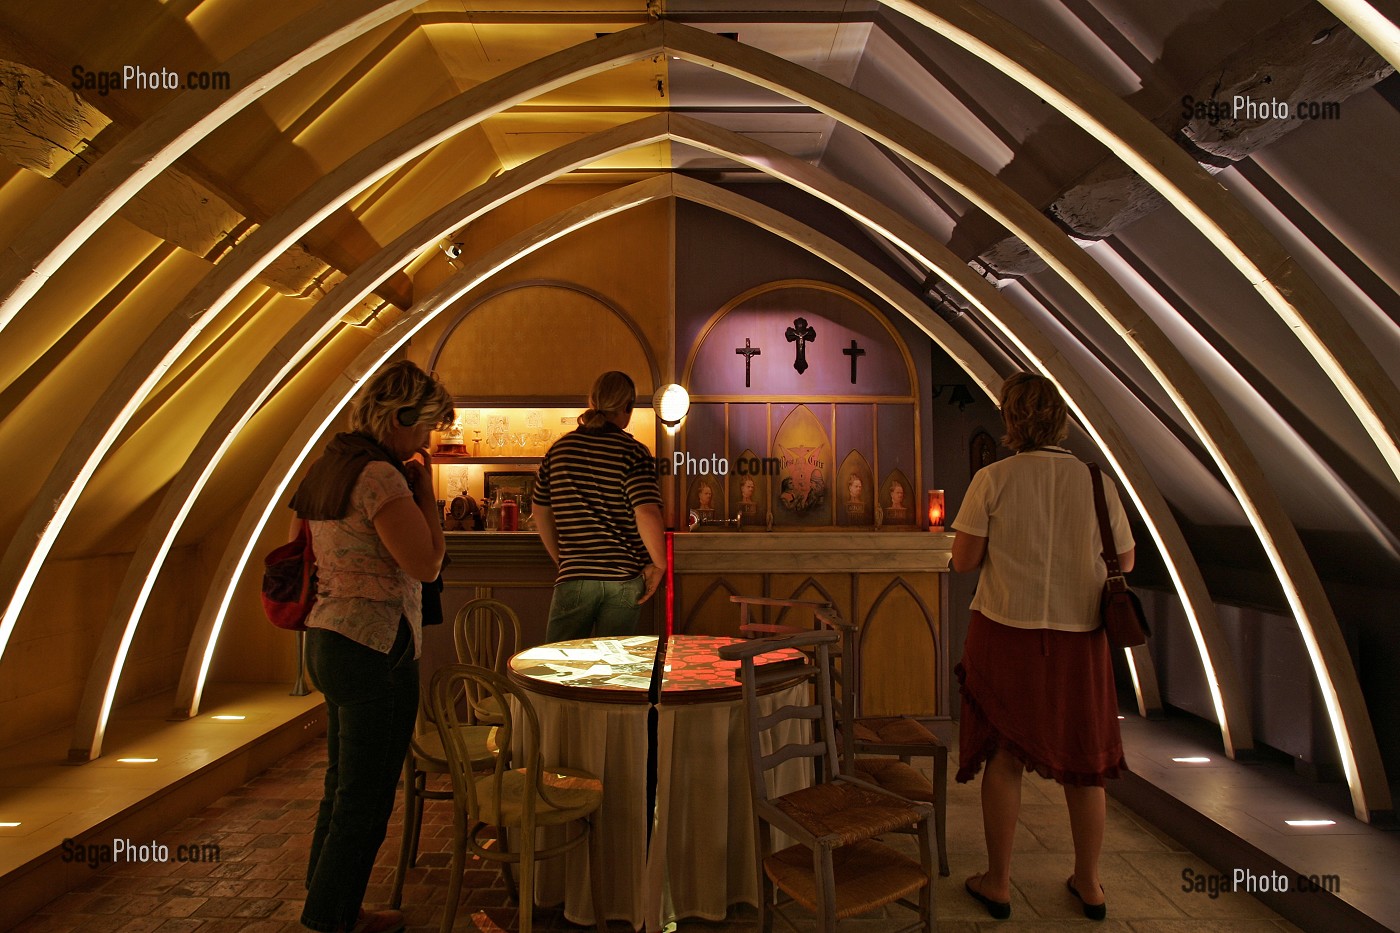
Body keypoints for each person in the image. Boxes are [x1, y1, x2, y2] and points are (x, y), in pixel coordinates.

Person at [950, 372, 1134, 922]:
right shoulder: (1098, 482)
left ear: (1012, 421)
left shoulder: (993, 478)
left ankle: (999, 881)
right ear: (1060, 418)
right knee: (1085, 764)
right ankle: (1091, 883)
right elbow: (1123, 562)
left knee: (1003, 757)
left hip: (1006, 631)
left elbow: (963, 561)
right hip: (1080, 637)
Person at [288, 360, 452, 933]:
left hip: (328, 637)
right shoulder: (380, 478)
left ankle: (329, 902)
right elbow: (426, 564)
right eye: (424, 426)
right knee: (367, 795)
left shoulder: (330, 467)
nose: (426, 440)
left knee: (341, 786)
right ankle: (331, 918)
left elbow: (305, 547)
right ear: (400, 418)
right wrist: (427, 491)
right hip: (374, 644)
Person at [533, 371, 666, 641]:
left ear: (592, 401)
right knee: (613, 674)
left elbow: (540, 510)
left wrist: (564, 560)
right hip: (623, 577)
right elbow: (646, 512)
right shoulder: (633, 452)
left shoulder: (559, 450)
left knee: (560, 669)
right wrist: (660, 564)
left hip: (574, 577)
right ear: (627, 407)